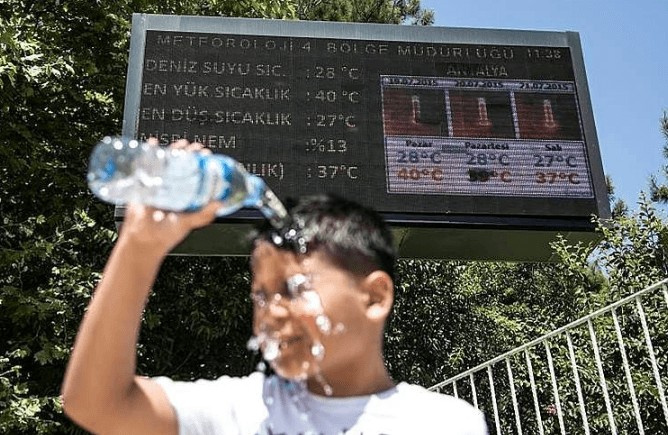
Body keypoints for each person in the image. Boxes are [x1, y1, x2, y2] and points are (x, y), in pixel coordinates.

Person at [61, 142, 487, 434]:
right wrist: (139, 247)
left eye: (294, 287)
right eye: (260, 295)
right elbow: (97, 404)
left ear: (374, 297)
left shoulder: (443, 423)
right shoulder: (244, 409)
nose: (271, 311)